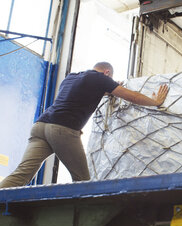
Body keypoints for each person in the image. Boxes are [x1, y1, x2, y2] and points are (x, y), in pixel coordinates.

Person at [0, 62, 168, 188]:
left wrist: (106, 89)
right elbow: (130, 96)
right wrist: (155, 101)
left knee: (22, 174)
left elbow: (80, 94)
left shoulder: (71, 77)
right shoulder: (101, 79)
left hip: (40, 126)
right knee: (82, 181)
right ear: (107, 72)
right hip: (62, 130)